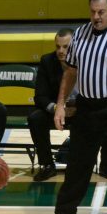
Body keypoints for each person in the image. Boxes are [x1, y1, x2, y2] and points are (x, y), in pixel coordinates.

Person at [42, 0, 107, 214]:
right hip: (86, 107)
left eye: (101, 11)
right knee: (77, 164)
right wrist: (60, 104)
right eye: (93, 12)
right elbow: (71, 72)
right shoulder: (79, 34)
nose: (97, 16)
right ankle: (66, 212)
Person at [28, 28, 76, 181]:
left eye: (65, 47)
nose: (60, 51)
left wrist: (76, 109)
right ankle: (47, 165)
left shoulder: (86, 60)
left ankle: (79, 165)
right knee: (35, 118)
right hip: (55, 110)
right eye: (57, 46)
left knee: (96, 117)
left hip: (80, 109)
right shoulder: (47, 61)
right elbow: (40, 97)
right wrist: (57, 108)